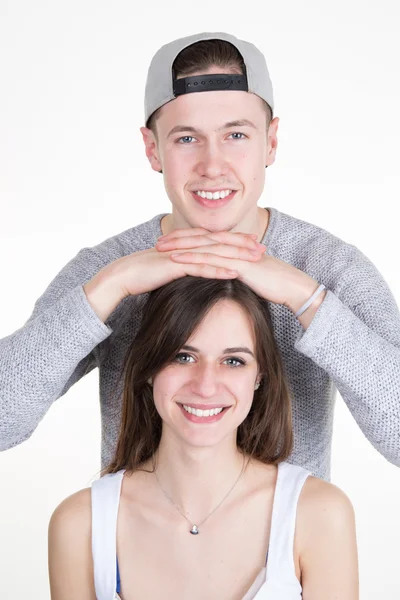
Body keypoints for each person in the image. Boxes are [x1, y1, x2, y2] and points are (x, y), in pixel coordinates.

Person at [1, 32, 399, 481]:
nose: (213, 165)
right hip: (135, 544)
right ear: (153, 149)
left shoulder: (329, 268)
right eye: (187, 138)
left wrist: (305, 298)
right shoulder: (109, 269)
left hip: (292, 545)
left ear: (270, 142)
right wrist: (112, 287)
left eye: (235, 134)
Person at [48, 277, 359, 599]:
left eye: (233, 360)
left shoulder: (319, 513)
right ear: (150, 367)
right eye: (183, 356)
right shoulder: (80, 523)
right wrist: (121, 278)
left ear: (259, 377)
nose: (206, 385)